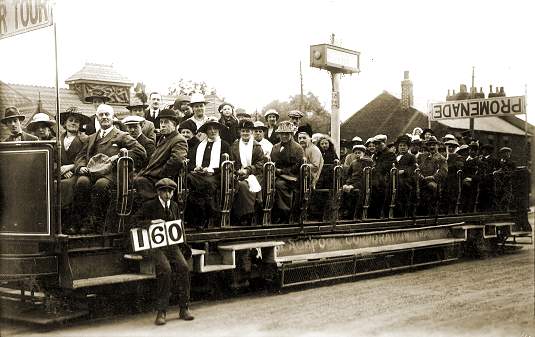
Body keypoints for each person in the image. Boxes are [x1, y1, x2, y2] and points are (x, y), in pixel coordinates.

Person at [74, 104, 146, 232]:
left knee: (101, 185)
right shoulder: (91, 138)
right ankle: (84, 221)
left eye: (107, 114)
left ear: (113, 117)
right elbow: (80, 156)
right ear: (97, 118)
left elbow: (140, 151)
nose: (104, 117)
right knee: (81, 182)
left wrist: (120, 156)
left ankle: (98, 223)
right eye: (101, 115)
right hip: (92, 172)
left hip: (113, 173)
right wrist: (80, 167)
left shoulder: (122, 135)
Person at [133, 178, 194, 325]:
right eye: (164, 191)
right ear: (158, 192)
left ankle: (184, 307)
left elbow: (178, 228)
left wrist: (184, 246)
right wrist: (151, 223)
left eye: (170, 191)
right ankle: (161, 311)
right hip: (154, 246)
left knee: (184, 267)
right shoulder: (149, 205)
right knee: (165, 269)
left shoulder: (173, 206)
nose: (167, 194)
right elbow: (134, 221)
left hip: (171, 245)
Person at [186, 118, 230, 228]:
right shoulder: (200, 145)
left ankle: (208, 217)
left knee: (208, 184)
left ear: (219, 130)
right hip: (199, 175)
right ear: (206, 131)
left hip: (216, 175)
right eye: (210, 129)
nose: (213, 131)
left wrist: (211, 170)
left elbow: (227, 165)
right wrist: (197, 167)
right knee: (188, 178)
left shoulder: (224, 145)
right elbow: (190, 162)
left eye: (215, 129)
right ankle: (195, 217)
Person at [135, 109, 188, 202]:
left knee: (139, 181)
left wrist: (159, 174)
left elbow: (177, 160)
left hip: (161, 179)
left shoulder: (179, 139)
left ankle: (154, 210)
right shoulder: (164, 138)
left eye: (166, 122)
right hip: (152, 176)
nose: (162, 125)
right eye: (161, 122)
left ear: (174, 125)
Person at [58, 107, 91, 234]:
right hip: (60, 172)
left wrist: (71, 166)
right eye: (70, 120)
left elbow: (87, 157)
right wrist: (61, 169)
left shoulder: (85, 139)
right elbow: (53, 159)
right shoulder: (57, 140)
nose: (73, 123)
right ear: (64, 123)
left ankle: (74, 222)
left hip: (77, 172)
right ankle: (58, 223)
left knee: (69, 185)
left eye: (76, 121)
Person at [229, 119, 266, 225]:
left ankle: (247, 214)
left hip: (254, 174)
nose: (245, 133)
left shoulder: (257, 147)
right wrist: (237, 171)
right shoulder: (234, 146)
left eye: (248, 131)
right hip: (238, 173)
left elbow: (260, 163)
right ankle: (235, 215)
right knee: (235, 182)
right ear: (240, 132)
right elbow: (232, 161)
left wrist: (248, 170)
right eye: (243, 131)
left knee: (244, 185)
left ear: (251, 132)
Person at [270, 121, 304, 223]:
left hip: (292, 177)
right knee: (265, 183)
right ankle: (268, 212)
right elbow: (272, 161)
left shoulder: (297, 148)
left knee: (279, 185)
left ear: (291, 134)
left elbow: (297, 165)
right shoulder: (275, 147)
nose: (284, 136)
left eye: (287, 134)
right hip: (276, 174)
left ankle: (285, 213)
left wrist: (283, 171)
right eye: (282, 134)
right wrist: (275, 170)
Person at [417, 136, 447, 215]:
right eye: (430, 145)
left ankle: (432, 214)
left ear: (437, 146)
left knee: (431, 187)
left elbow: (443, 172)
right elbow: (417, 168)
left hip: (434, 182)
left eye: (434, 145)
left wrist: (433, 177)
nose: (432, 147)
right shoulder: (423, 156)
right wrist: (420, 176)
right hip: (422, 181)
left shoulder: (442, 159)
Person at [341, 144, 373, 219]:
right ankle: (345, 211)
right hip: (353, 181)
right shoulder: (353, 162)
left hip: (362, 181)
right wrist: (347, 183)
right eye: (356, 153)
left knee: (353, 192)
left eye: (359, 153)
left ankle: (355, 213)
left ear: (363, 153)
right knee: (343, 190)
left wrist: (353, 185)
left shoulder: (367, 161)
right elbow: (349, 174)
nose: (357, 154)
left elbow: (369, 167)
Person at [370, 134, 396, 218]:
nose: (376, 146)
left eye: (379, 144)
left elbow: (385, 167)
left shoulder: (390, 154)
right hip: (377, 177)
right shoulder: (376, 155)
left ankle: (380, 213)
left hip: (386, 178)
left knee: (377, 186)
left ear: (384, 143)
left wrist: (375, 168)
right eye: (375, 144)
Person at [395, 135, 416, 216]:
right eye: (400, 146)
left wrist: (404, 171)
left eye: (404, 146)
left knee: (402, 185)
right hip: (395, 177)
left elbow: (413, 167)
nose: (402, 147)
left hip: (407, 179)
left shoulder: (411, 157)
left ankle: (403, 211)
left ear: (408, 147)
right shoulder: (395, 157)